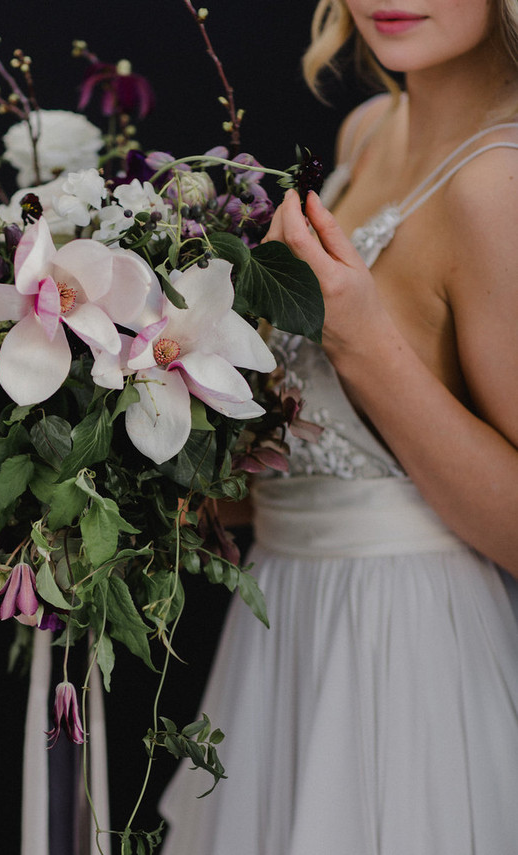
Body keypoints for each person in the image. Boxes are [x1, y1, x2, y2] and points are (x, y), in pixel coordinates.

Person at [159, 1, 518, 852]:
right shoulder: (366, 131)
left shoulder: (498, 186)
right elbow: (334, 457)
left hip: (402, 659)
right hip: (285, 628)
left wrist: (364, 343)